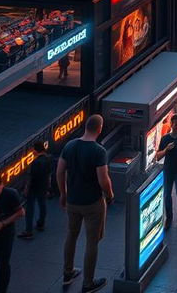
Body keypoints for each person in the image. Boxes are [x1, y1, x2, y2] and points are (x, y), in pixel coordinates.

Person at [57, 113, 113, 293]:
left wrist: (63, 193)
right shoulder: (98, 151)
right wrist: (110, 195)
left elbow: (59, 171)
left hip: (73, 201)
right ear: (100, 129)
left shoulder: (70, 145)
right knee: (92, 242)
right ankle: (88, 283)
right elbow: (103, 179)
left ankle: (67, 272)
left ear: (85, 126)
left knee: (71, 235)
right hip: (92, 203)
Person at [156, 113, 177, 229]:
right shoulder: (165, 139)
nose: (176, 126)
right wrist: (166, 150)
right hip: (168, 170)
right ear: (171, 124)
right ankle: (169, 217)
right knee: (167, 195)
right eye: (174, 124)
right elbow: (158, 156)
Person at [0, 170, 24, 293]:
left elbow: (21, 212)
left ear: (0, 185)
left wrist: (3, 223)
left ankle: (2, 289)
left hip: (5, 234)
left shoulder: (11, 194)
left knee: (3, 263)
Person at [19, 140, 51, 238]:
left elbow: (31, 178)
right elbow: (49, 173)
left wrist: (26, 189)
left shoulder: (36, 162)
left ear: (36, 150)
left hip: (33, 188)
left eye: (33, 149)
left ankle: (28, 231)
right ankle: (41, 224)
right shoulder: (48, 158)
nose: (32, 151)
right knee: (42, 204)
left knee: (30, 209)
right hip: (43, 186)